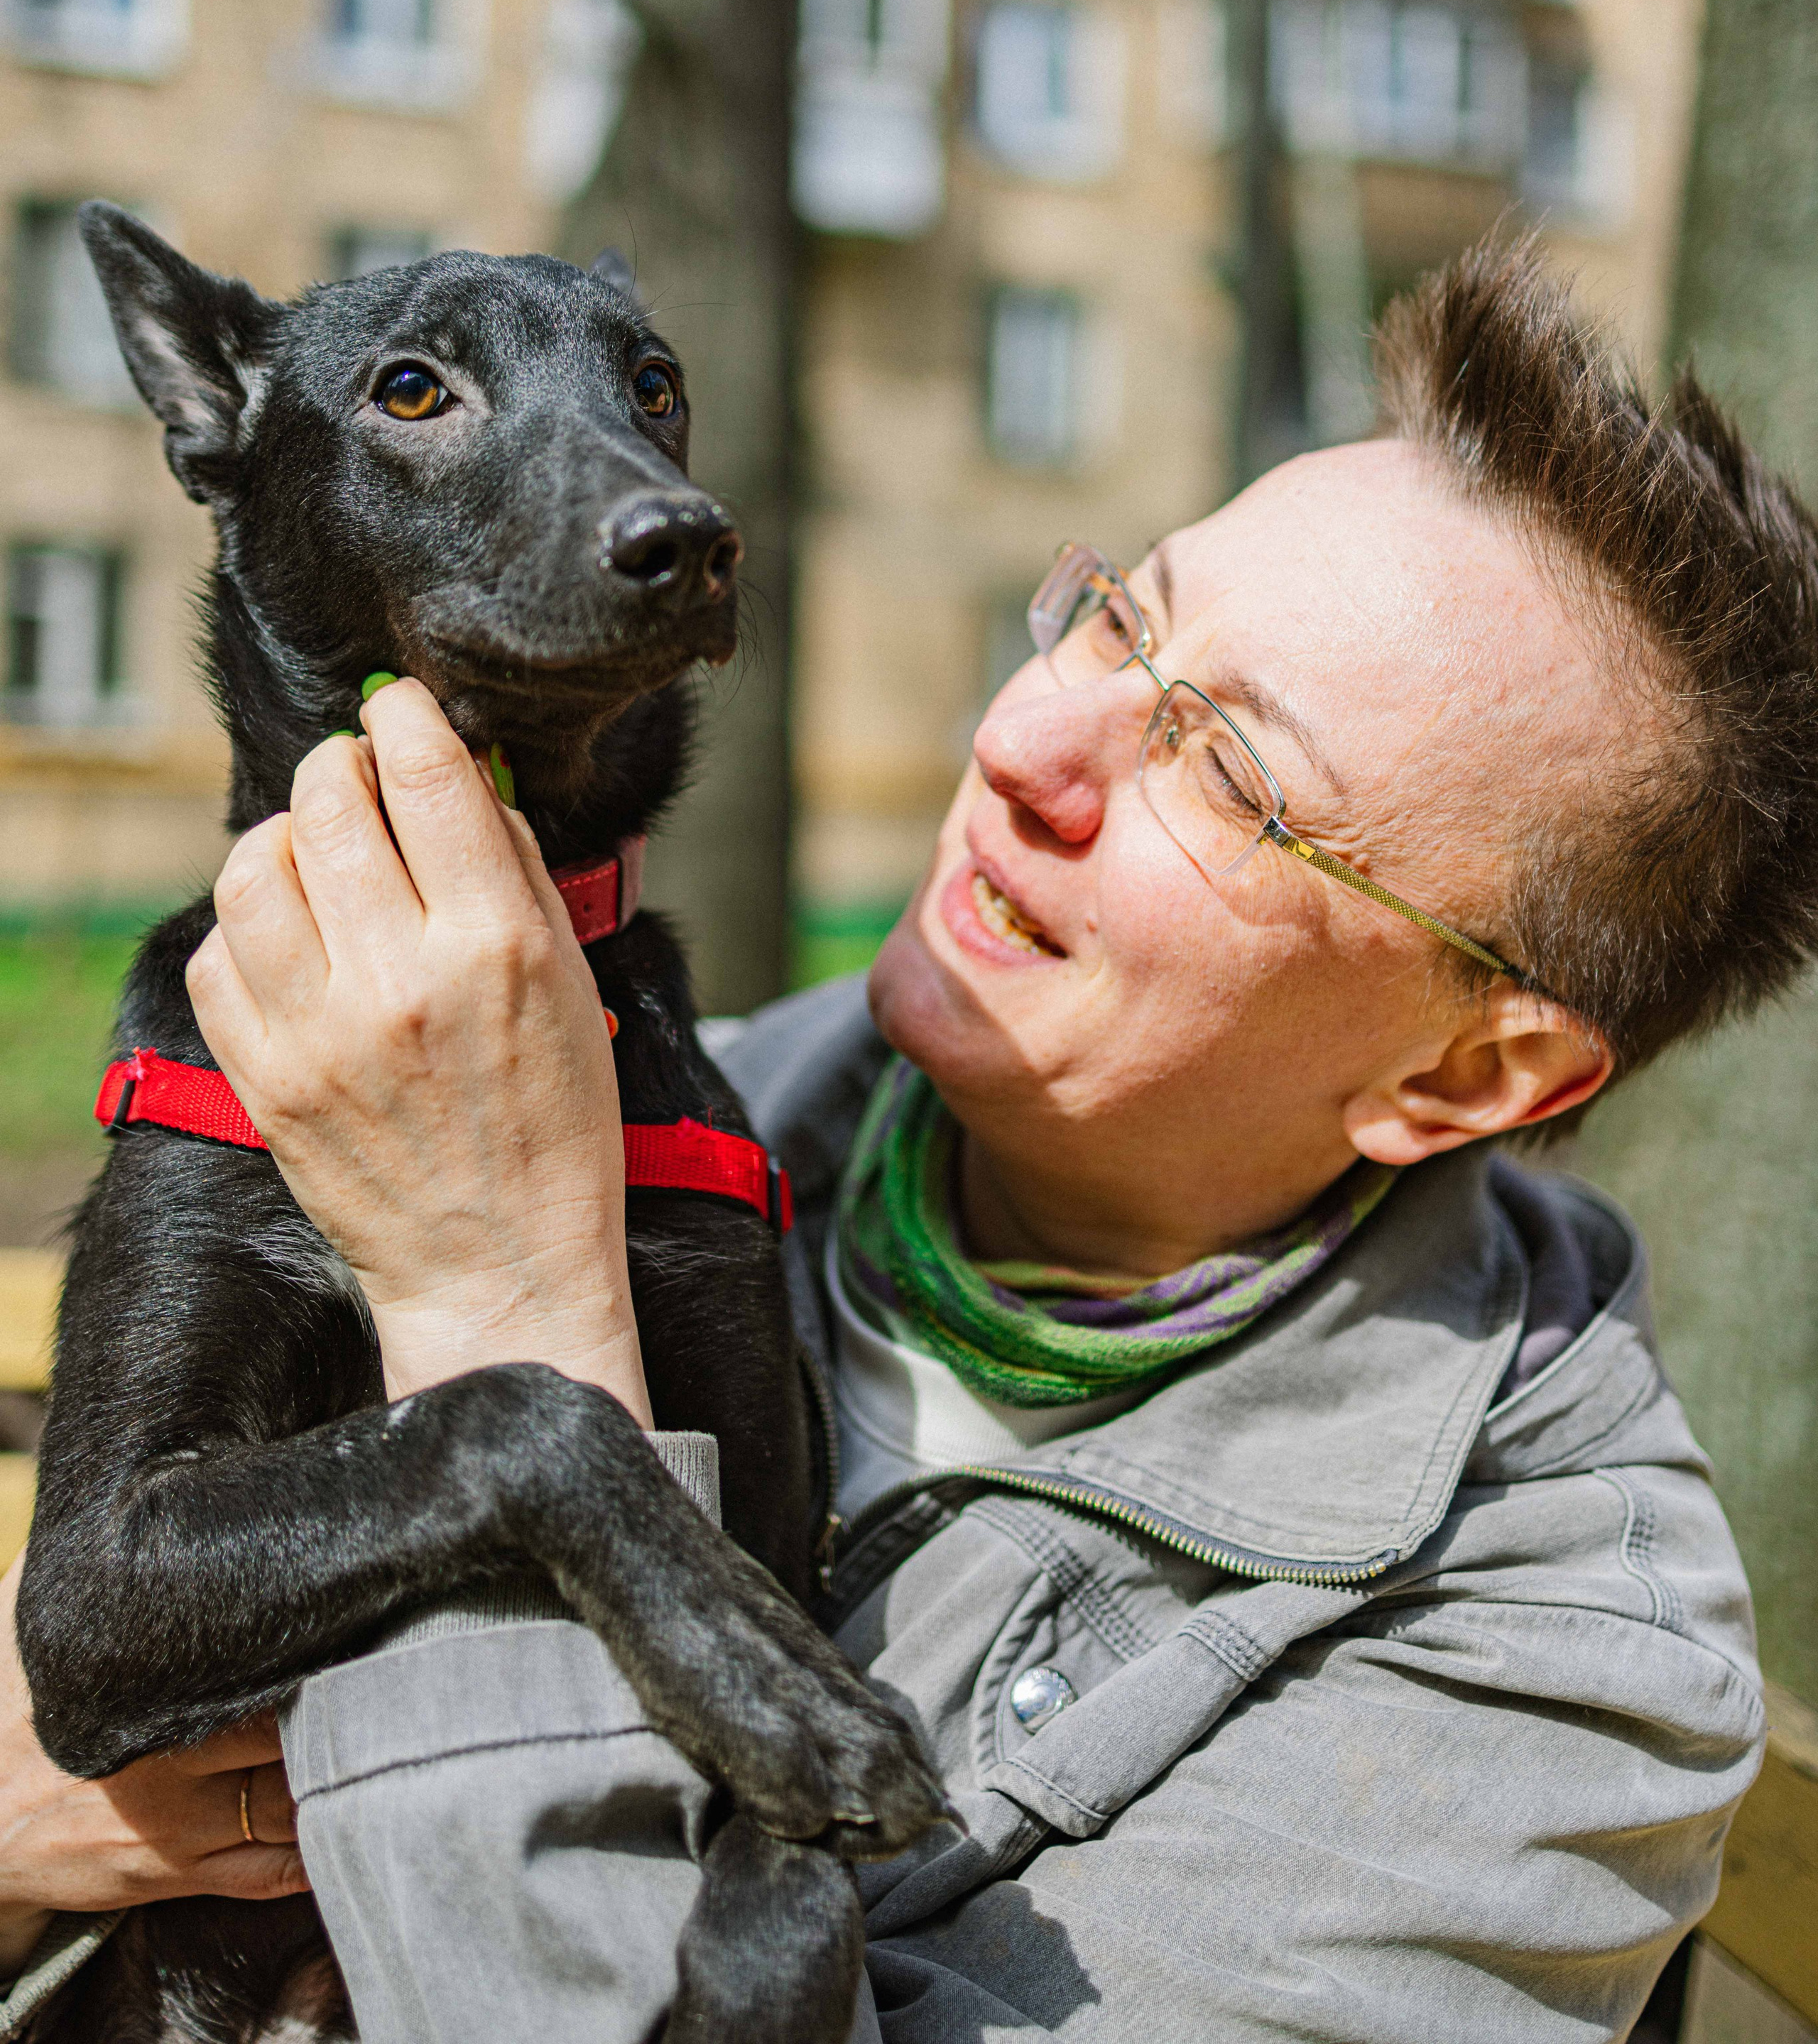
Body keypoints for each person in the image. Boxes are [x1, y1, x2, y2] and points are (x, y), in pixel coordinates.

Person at [0, 246, 1805, 2040]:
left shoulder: (1530, 1686)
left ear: (1469, 1072)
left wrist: (498, 1296)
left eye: (1230, 771)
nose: (1020, 737)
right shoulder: (645, 1096)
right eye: (1115, 616)